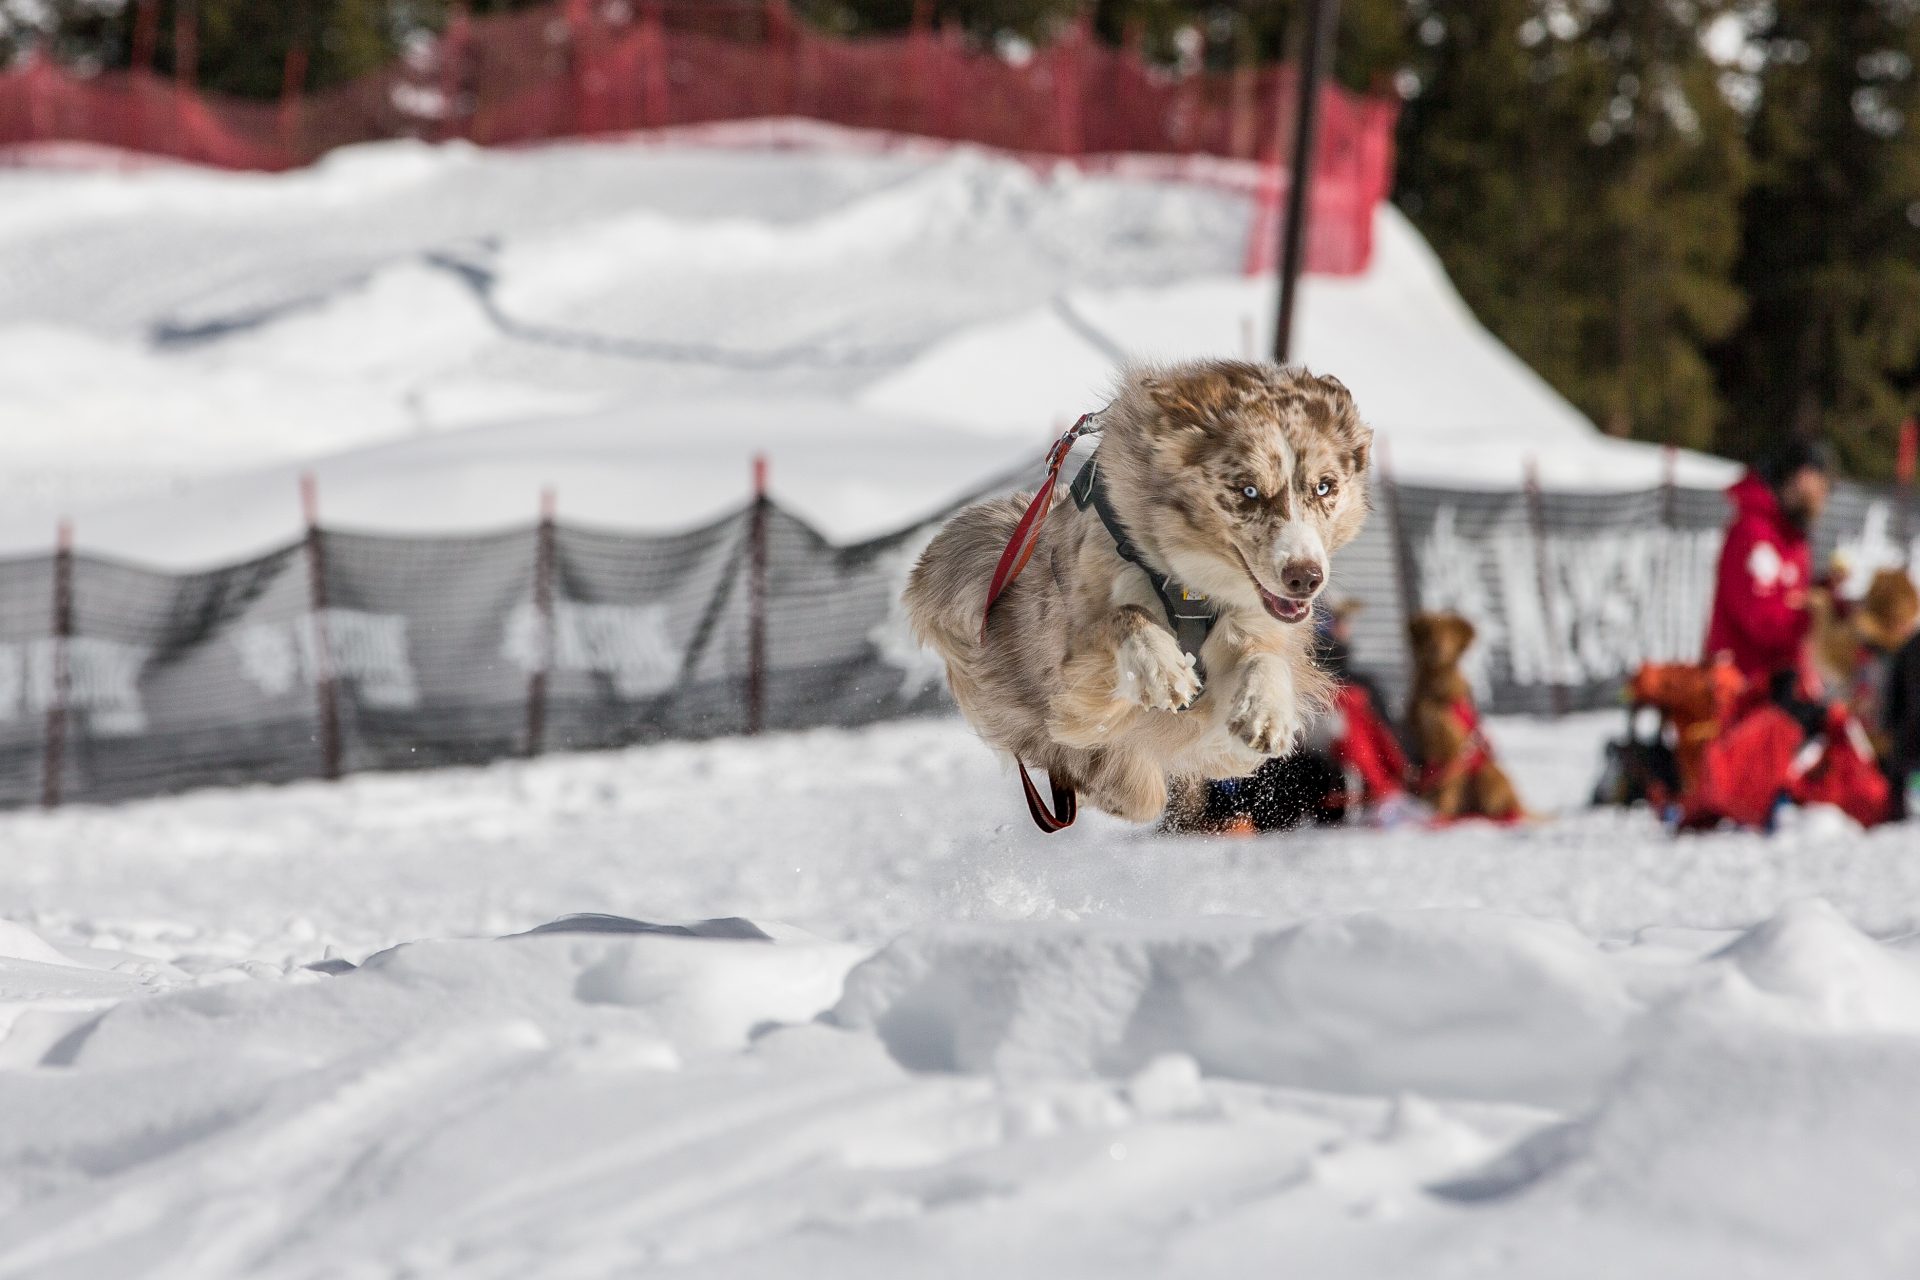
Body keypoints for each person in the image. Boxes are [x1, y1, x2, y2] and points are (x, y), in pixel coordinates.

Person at [1703, 438, 1834, 706]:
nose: (1824, 495)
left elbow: (1790, 597)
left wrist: (1828, 598)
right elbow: (1760, 618)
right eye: (1819, 483)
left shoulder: (1792, 536)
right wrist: (1817, 616)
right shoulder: (1754, 533)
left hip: (1777, 689)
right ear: (1797, 477)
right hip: (1740, 694)